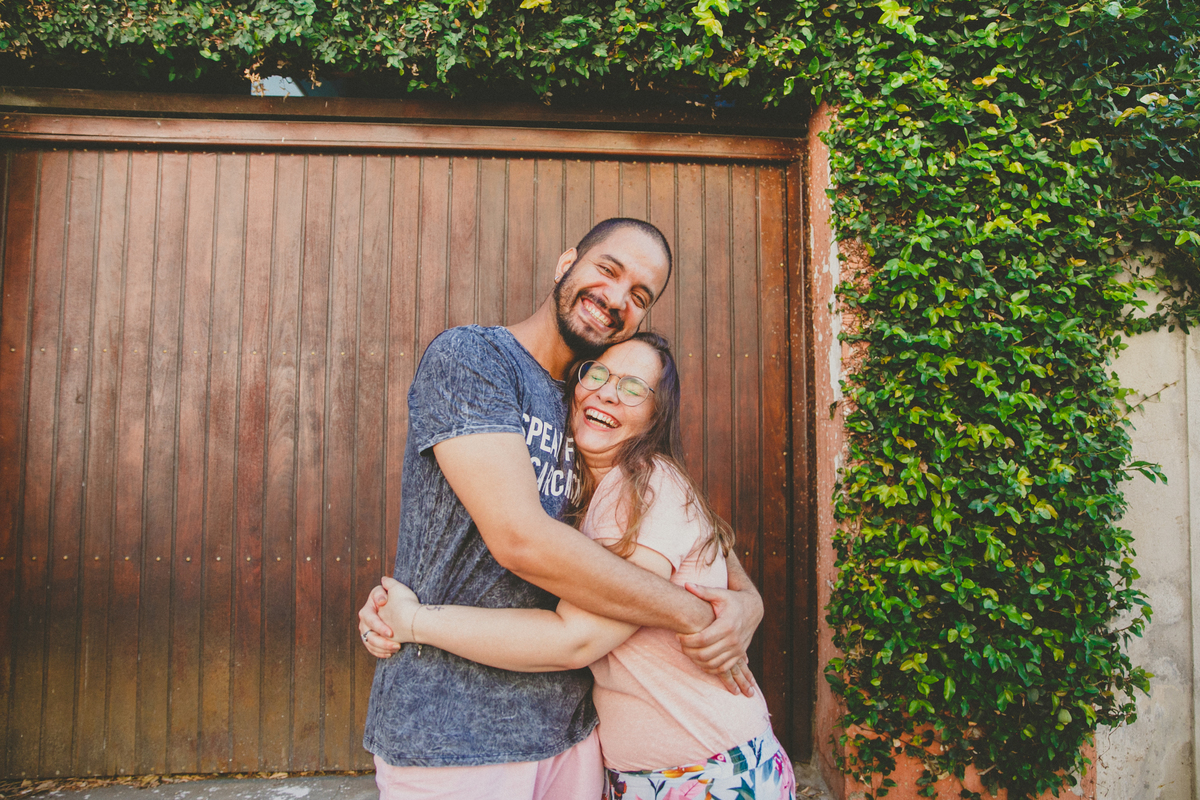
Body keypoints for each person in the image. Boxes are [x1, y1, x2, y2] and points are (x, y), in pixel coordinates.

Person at [357, 219, 764, 800]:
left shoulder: (588, 406)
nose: (617, 298)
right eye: (608, 269)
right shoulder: (476, 358)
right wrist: (695, 614)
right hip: (453, 736)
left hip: (573, 736)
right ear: (565, 263)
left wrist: (746, 600)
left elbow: (684, 528)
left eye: (640, 295)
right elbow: (520, 539)